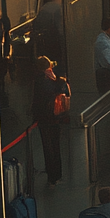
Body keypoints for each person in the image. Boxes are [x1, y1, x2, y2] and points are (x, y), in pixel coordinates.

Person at [32, 56, 71, 186]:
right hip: (56, 116)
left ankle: (52, 176)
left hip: (45, 118)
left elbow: (38, 101)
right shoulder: (56, 79)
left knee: (47, 147)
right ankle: (58, 173)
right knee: (56, 145)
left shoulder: (40, 81)